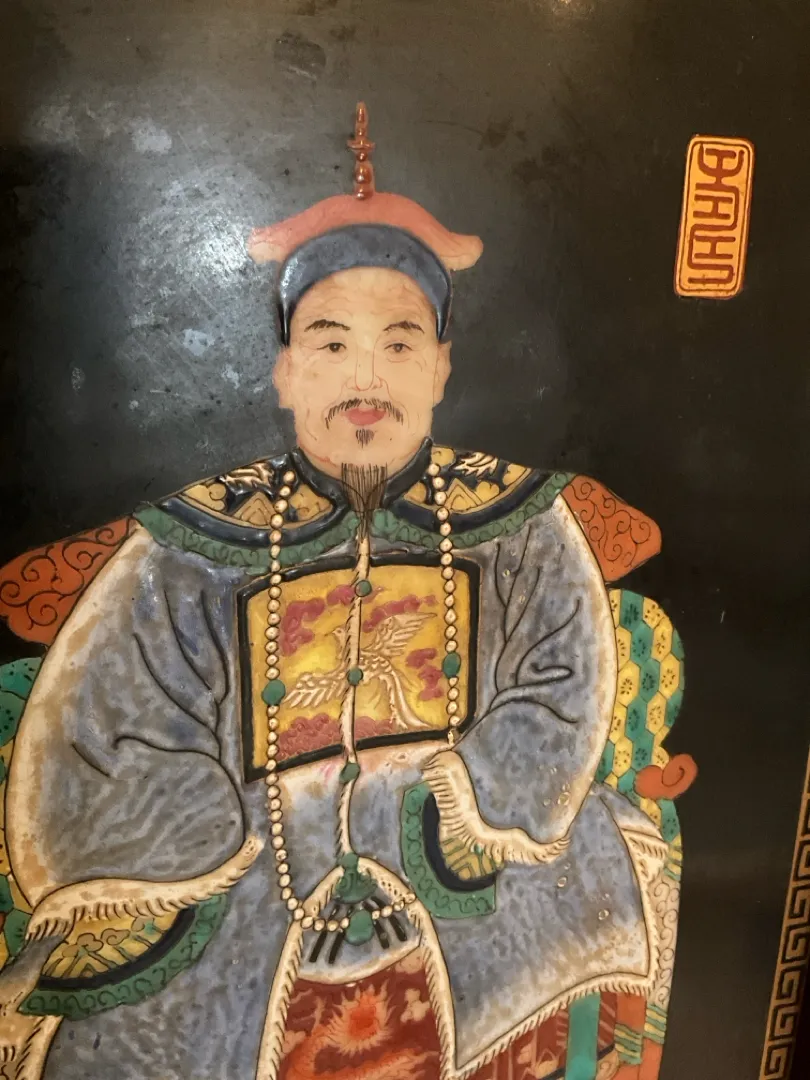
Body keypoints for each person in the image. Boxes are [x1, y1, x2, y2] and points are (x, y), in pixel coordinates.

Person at [0, 106, 681, 1080]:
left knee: (579, 908)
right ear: (284, 372)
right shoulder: (188, 543)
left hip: (457, 839)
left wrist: (464, 800)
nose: (367, 377)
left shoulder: (519, 520)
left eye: (399, 345)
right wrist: (225, 833)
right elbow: (109, 721)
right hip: (249, 861)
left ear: (441, 368)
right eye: (330, 344)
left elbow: (563, 676)